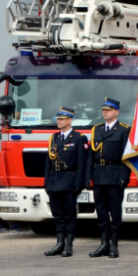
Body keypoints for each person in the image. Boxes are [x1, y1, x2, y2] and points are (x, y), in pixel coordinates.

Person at [86, 97, 131, 259]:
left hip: (114, 174)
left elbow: (127, 156)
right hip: (99, 175)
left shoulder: (124, 130)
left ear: (116, 112)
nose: (105, 112)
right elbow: (91, 155)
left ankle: (114, 245)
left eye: (109, 110)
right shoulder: (97, 129)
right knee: (101, 212)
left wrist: (124, 177)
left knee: (115, 212)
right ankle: (104, 244)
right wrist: (88, 176)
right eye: (103, 110)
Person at [43, 107, 89, 258]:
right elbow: (48, 163)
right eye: (58, 118)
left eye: (62, 119)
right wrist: (46, 182)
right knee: (58, 215)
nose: (59, 121)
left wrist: (78, 184)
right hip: (54, 181)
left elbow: (82, 164)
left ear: (70, 120)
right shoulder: (54, 138)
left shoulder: (79, 138)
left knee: (69, 215)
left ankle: (69, 244)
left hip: (69, 181)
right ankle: (59, 243)